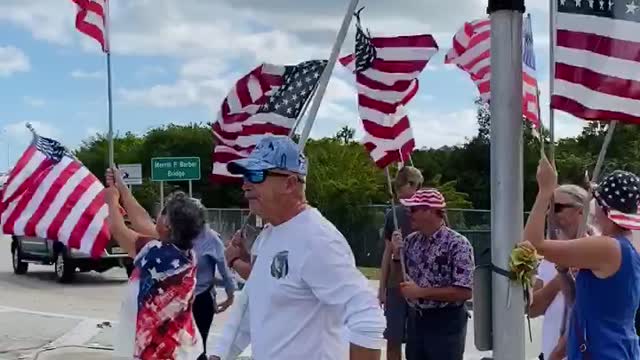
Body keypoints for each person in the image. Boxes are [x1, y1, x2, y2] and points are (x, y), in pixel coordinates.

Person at [209, 135, 385, 360]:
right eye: (245, 176)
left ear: (290, 183)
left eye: (255, 175)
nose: (245, 184)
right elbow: (251, 308)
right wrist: (219, 355)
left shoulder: (318, 240)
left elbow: (367, 317)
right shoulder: (269, 235)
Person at [522, 157, 640, 359]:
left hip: (602, 352)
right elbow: (579, 304)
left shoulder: (607, 247)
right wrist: (563, 273)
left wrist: (544, 192)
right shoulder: (622, 245)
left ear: (603, 207)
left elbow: (532, 243)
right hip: (613, 349)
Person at [106, 168, 203, 360]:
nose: (155, 216)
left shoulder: (155, 255)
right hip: (182, 350)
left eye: (161, 213)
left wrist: (111, 200)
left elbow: (118, 230)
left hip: (158, 353)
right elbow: (143, 221)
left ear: (167, 225)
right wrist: (123, 190)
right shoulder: (184, 255)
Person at [391, 188, 474, 360]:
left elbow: (465, 291)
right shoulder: (411, 242)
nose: (409, 213)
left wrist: (421, 292)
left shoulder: (458, 244)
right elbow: (399, 281)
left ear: (429, 211)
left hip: (446, 323)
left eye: (414, 209)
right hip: (417, 321)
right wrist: (396, 256)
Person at [528, 184, 592, 360]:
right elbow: (533, 310)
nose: (550, 213)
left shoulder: (597, 252)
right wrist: (560, 276)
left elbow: (585, 311)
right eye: (549, 207)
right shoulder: (550, 255)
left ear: (581, 211)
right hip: (549, 350)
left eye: (557, 207)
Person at [379, 166, 423, 360]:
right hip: (396, 285)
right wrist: (382, 289)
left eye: (418, 185)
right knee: (393, 339)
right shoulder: (393, 216)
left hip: (420, 285)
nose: (416, 189)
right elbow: (387, 254)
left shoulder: (427, 213)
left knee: (417, 341)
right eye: (411, 184)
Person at [191, 219, 236, 360]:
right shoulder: (174, 235)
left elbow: (224, 269)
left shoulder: (210, 237)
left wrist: (230, 295)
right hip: (177, 298)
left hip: (201, 298)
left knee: (198, 347)